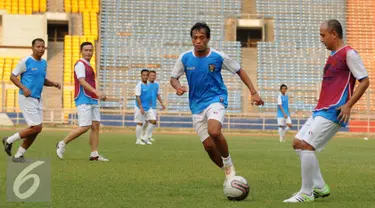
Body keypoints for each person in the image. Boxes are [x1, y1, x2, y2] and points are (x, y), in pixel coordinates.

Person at [283, 19, 370, 203]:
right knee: (298, 142)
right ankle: (320, 187)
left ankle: (306, 193)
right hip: (320, 109)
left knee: (307, 146)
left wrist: (348, 105)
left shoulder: (349, 53)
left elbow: (364, 81)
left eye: (323, 35)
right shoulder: (332, 55)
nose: (321, 39)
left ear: (334, 34)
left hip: (333, 110)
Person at [170, 22, 264, 180]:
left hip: (216, 99)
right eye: (195, 38)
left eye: (201, 38)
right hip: (196, 105)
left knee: (214, 131)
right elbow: (173, 78)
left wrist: (253, 92)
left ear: (208, 38)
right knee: (208, 146)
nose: (198, 41)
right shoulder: (185, 58)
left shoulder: (218, 56)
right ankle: (227, 171)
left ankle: (228, 163)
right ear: (191, 39)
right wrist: (178, 87)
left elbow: (239, 70)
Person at [2, 38, 61, 162]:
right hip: (26, 97)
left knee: (35, 130)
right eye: (38, 47)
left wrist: (54, 84)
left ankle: (19, 155)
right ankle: (8, 140)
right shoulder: (26, 61)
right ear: (32, 48)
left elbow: (42, 80)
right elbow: (13, 76)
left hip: (37, 99)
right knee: (36, 127)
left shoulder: (44, 63)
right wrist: (23, 88)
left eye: (42, 47)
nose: (40, 49)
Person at [56, 42, 109, 161]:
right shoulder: (80, 64)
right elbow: (82, 81)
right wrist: (97, 92)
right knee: (85, 126)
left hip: (93, 99)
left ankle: (94, 154)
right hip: (83, 98)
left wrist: (97, 94)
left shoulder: (89, 65)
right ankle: (62, 143)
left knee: (95, 126)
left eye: (90, 50)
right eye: (86, 50)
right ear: (81, 51)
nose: (88, 52)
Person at [142, 70, 166, 142]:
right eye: (151, 75)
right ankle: (142, 134)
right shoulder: (146, 84)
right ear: (148, 76)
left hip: (154, 106)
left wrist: (162, 103)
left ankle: (148, 136)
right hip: (146, 106)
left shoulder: (156, 85)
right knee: (145, 122)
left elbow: (157, 95)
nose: (153, 77)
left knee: (152, 122)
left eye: (154, 75)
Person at [135, 69, 155, 145]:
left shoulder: (149, 85)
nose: (145, 76)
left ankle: (145, 137)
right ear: (141, 76)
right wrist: (141, 107)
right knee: (140, 123)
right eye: (144, 75)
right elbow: (138, 97)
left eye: (147, 75)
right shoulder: (139, 85)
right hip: (140, 107)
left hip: (148, 107)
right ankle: (138, 140)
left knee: (153, 120)